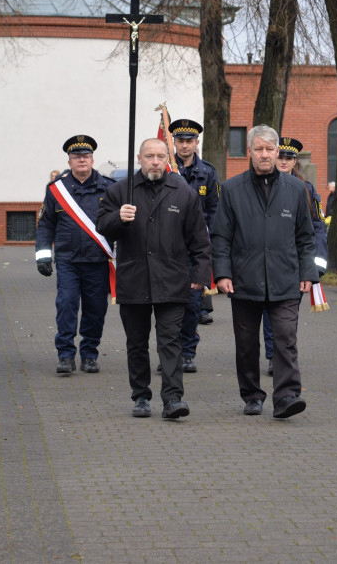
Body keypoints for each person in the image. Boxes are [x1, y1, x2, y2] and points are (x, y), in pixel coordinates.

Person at [97, 138, 212, 419]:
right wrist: (117, 218)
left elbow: (199, 239)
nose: (156, 161)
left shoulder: (183, 193)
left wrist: (200, 274)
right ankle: (140, 396)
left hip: (172, 280)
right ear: (139, 158)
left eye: (161, 156)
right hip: (133, 279)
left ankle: (173, 399)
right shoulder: (120, 191)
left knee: (170, 341)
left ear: (168, 158)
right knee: (136, 342)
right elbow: (101, 226)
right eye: (150, 156)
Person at [212, 125, 317, 419]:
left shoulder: (296, 190)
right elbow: (221, 237)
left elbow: (305, 236)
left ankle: (286, 396)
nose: (265, 155)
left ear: (277, 152)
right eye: (259, 149)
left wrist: (307, 272)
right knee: (246, 344)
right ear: (249, 152)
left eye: (270, 149)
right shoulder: (232, 189)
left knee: (286, 339)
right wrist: (222, 273)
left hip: (285, 280)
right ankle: (252, 394)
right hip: (243, 281)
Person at [35, 135, 115, 375]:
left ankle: (89, 355)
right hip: (68, 261)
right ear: (69, 161)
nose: (82, 160)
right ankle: (66, 355)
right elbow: (45, 225)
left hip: (98, 261)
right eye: (76, 156)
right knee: (67, 305)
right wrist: (43, 257)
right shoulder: (56, 190)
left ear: (92, 160)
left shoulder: (109, 188)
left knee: (95, 309)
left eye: (86, 156)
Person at [261, 137, 328, 375]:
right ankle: (272, 355)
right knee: (270, 312)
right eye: (281, 156)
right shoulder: (263, 184)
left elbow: (317, 226)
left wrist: (316, 266)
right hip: (269, 261)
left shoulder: (307, 190)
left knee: (288, 314)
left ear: (294, 161)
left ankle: (284, 353)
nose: (284, 161)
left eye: (289, 158)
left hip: (296, 263)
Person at [169, 118, 220, 372]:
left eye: (189, 141)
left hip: (194, 251)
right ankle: (168, 354)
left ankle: (187, 352)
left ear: (196, 143)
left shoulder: (208, 173)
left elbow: (214, 211)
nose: (185, 145)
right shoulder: (166, 168)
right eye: (180, 141)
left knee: (191, 305)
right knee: (167, 306)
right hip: (167, 250)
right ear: (174, 143)